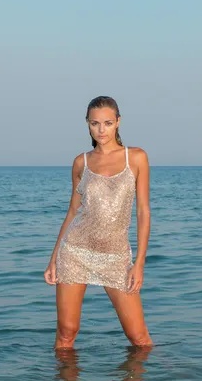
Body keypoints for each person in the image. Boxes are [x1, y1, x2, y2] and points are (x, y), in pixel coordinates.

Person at [44, 95, 153, 349]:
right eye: (95, 124)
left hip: (116, 257)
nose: (101, 130)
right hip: (75, 252)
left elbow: (143, 211)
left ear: (118, 122)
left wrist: (139, 263)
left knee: (139, 338)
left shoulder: (136, 158)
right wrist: (53, 258)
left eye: (107, 123)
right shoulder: (81, 162)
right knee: (66, 333)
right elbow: (73, 211)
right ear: (87, 124)